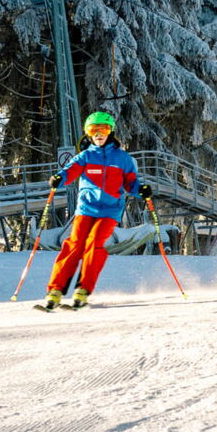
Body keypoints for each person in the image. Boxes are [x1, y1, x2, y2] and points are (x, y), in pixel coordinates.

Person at [39, 111, 152, 310]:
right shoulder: (86, 156)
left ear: (111, 132)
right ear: (88, 133)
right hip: (86, 208)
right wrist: (59, 179)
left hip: (110, 210)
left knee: (94, 244)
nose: (99, 135)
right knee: (74, 245)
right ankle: (56, 290)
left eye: (104, 129)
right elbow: (70, 171)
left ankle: (83, 289)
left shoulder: (122, 159)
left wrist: (141, 190)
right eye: (93, 130)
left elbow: (131, 183)